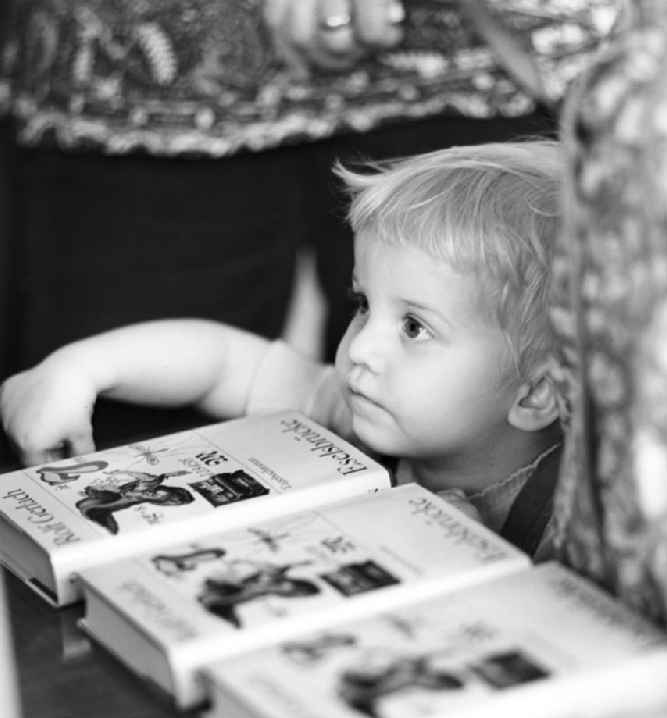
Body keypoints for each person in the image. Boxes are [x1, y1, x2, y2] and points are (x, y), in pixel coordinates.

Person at [0, 139, 565, 557]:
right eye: (364, 304)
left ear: (538, 392)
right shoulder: (350, 407)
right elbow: (226, 362)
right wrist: (77, 369)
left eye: (414, 327)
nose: (360, 348)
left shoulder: (580, 513)